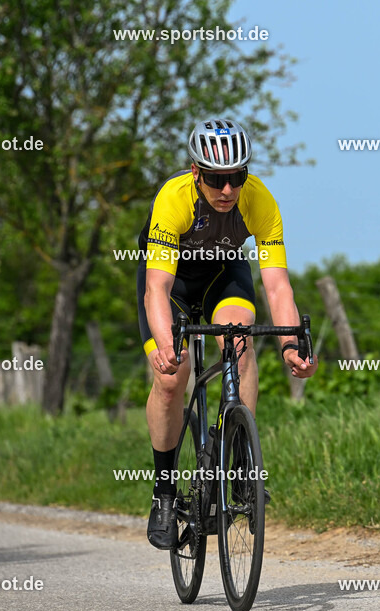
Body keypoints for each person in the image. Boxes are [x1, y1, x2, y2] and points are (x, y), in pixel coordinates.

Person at [136, 119, 317, 549]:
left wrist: (291, 345)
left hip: (222, 274)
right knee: (171, 379)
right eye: (217, 179)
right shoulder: (174, 199)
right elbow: (157, 288)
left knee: (239, 343)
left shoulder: (260, 201)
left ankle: (240, 467)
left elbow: (278, 286)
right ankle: (164, 493)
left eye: (237, 176)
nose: (228, 189)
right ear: (196, 172)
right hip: (173, 283)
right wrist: (166, 347)